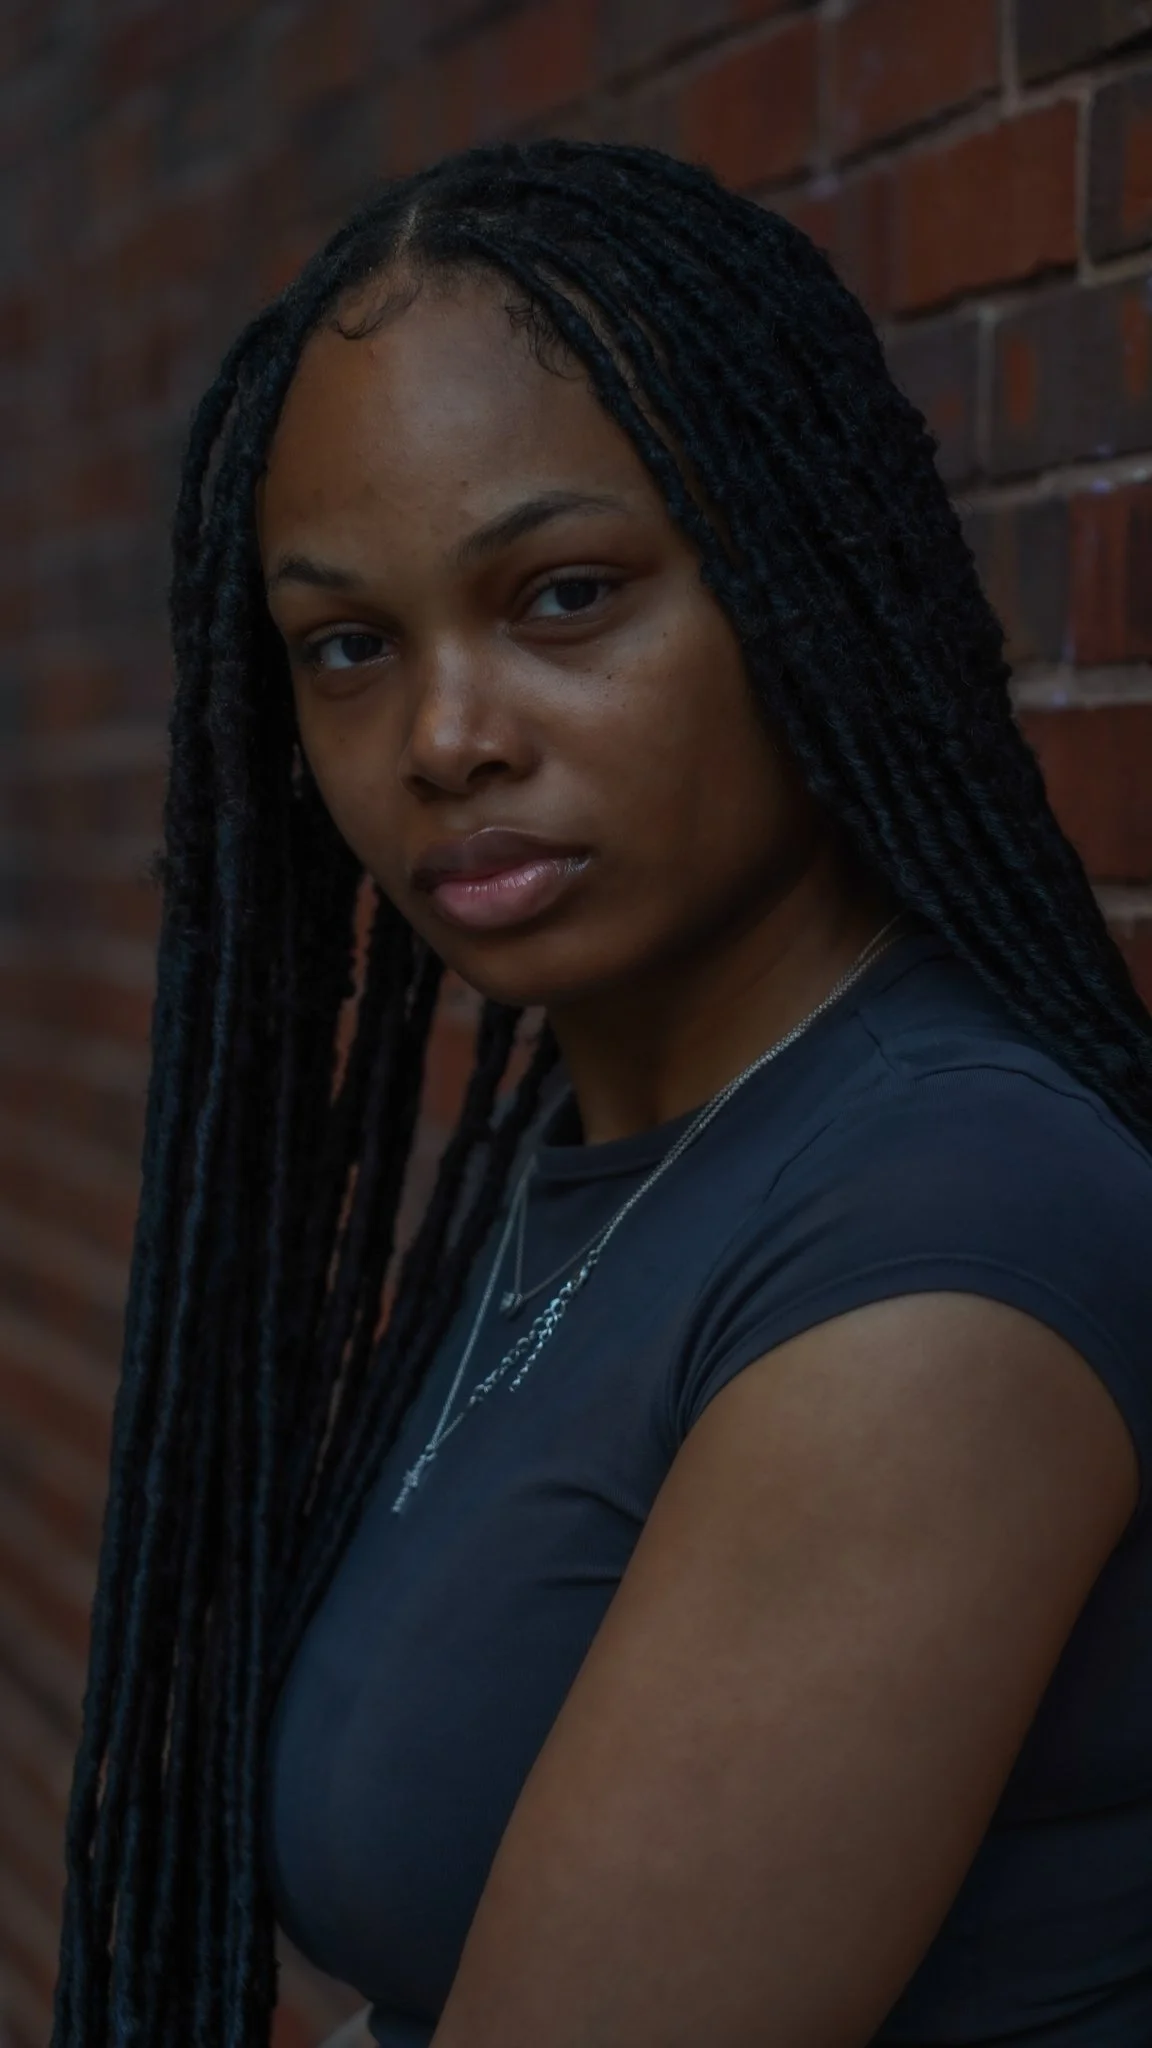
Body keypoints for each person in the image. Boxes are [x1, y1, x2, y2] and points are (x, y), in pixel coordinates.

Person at [53, 140, 1152, 2048]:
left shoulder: (938, 1256)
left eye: (563, 596)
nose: (445, 736)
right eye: (348, 647)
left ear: (804, 587)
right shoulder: (606, 1156)